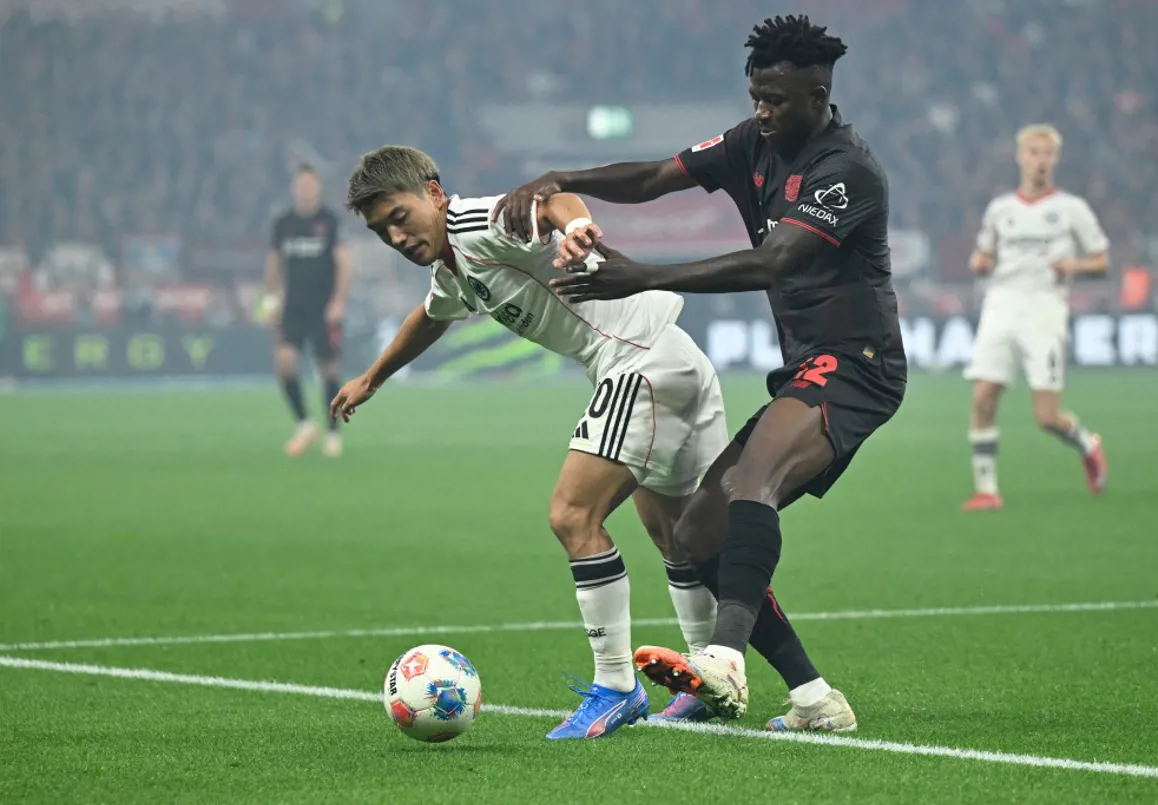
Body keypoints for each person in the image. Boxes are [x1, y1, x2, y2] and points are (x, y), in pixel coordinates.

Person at [495, 15, 900, 728]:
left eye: (776, 100)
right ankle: (813, 697)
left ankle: (724, 661)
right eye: (755, 97)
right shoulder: (751, 143)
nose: (762, 112)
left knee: (752, 480)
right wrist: (562, 178)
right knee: (699, 532)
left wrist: (643, 275)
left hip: (858, 364)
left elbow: (775, 261)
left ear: (818, 94)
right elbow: (655, 177)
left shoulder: (846, 171)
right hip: (807, 366)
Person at [332, 145, 724, 741]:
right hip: (669, 355)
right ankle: (709, 680)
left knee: (573, 515)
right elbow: (434, 315)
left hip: (639, 360)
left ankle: (617, 685)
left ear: (433, 194)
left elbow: (553, 202)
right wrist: (373, 377)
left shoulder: (474, 223)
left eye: (399, 217)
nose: (396, 237)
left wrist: (578, 227)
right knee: (677, 534)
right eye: (382, 230)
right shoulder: (453, 266)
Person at [960, 124, 1110, 512]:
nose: (1040, 160)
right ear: (1020, 157)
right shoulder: (1001, 210)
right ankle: (987, 490)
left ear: (1055, 160)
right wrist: (980, 262)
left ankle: (1087, 443)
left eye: (1047, 153)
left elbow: (1101, 260)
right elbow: (983, 254)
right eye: (1033, 152)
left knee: (1046, 416)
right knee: (983, 395)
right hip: (1001, 305)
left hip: (1045, 310)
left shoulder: (1071, 209)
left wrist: (1074, 265)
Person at [264, 165, 351, 458]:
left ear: (318, 188)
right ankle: (304, 424)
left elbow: (343, 263)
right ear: (294, 189)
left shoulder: (329, 222)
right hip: (293, 307)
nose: (305, 191)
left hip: (322, 307)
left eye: (310, 186)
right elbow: (274, 263)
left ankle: (333, 432)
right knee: (285, 362)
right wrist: (271, 298)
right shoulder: (284, 223)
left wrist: (338, 301)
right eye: (301, 186)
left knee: (328, 368)